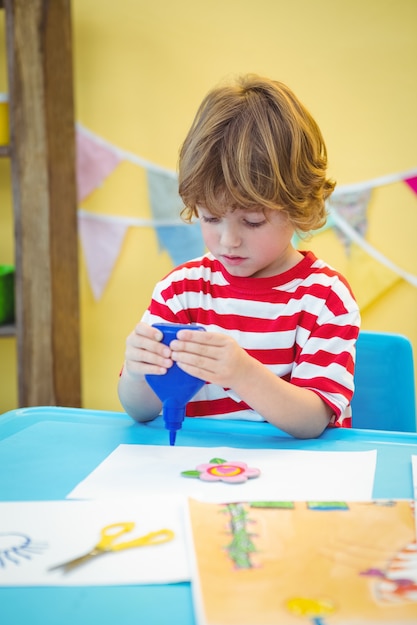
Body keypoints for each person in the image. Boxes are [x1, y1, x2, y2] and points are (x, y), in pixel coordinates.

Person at [118, 74, 360, 439]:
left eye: (252, 221)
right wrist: (137, 371)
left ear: (297, 206)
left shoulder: (324, 297)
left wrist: (243, 373)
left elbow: (312, 420)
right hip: (197, 477)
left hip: (292, 481)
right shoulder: (181, 291)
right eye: (211, 218)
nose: (228, 240)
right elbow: (140, 410)